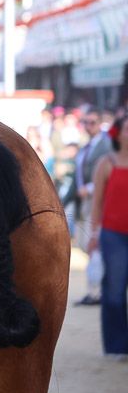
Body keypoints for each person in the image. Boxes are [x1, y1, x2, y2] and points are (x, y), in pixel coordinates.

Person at [87, 115, 128, 357]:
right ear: (118, 134)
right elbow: (97, 202)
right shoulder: (107, 162)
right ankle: (116, 345)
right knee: (114, 290)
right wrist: (93, 233)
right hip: (113, 235)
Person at [76, 112, 114, 306]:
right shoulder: (86, 146)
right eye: (85, 122)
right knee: (86, 244)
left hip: (98, 200)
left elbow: (109, 175)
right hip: (85, 201)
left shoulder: (105, 146)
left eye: (92, 122)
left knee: (94, 245)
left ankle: (97, 291)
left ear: (99, 124)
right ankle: (96, 288)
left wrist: (89, 189)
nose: (88, 125)